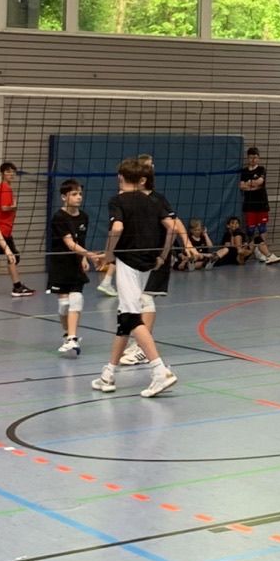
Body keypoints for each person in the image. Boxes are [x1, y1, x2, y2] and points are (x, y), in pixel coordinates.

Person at [93, 158, 178, 397]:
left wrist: (108, 255)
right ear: (140, 179)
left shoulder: (118, 200)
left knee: (131, 317)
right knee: (125, 316)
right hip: (148, 263)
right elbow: (172, 228)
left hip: (128, 262)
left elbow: (117, 229)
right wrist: (163, 256)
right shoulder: (152, 200)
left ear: (120, 177)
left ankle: (160, 371)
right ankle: (108, 374)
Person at [120, 155, 193, 368]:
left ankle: (142, 348)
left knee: (145, 298)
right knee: (132, 301)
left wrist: (186, 243)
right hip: (134, 256)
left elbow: (174, 223)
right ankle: (138, 342)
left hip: (155, 256)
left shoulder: (156, 199)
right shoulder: (127, 198)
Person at [47, 179, 91, 357]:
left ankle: (72, 337)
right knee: (64, 305)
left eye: (80, 193)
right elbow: (70, 243)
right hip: (60, 264)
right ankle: (68, 335)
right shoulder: (59, 217)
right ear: (64, 197)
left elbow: (81, 241)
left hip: (76, 265)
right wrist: (90, 254)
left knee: (77, 299)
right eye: (74, 194)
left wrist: (84, 258)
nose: (78, 197)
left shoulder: (84, 217)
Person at [0, 161, 36, 297]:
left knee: (10, 257)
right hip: (0, 230)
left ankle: (17, 286)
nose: (11, 174)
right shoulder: (5, 188)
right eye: (8, 171)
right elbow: (4, 208)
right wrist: (14, 206)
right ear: (2, 173)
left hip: (3, 229)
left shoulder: (3, 187)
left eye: (13, 172)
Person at [238, 147, 280, 265]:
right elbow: (241, 186)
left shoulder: (262, 169)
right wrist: (253, 185)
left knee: (262, 228)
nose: (253, 159)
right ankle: (257, 252)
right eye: (251, 157)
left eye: (255, 157)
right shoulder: (244, 171)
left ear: (258, 158)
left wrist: (249, 184)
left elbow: (259, 182)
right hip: (249, 204)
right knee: (250, 230)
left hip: (262, 203)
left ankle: (264, 252)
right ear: (248, 158)